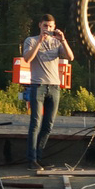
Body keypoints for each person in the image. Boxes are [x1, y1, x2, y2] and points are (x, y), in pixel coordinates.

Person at [22, 14, 74, 170]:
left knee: (48, 125)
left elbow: (70, 56)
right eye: (45, 26)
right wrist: (39, 41)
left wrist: (63, 39)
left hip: (54, 87)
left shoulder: (57, 43)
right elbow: (27, 59)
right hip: (38, 86)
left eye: (51, 26)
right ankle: (31, 160)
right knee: (35, 123)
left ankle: (39, 156)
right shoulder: (31, 40)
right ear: (40, 25)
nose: (48, 29)